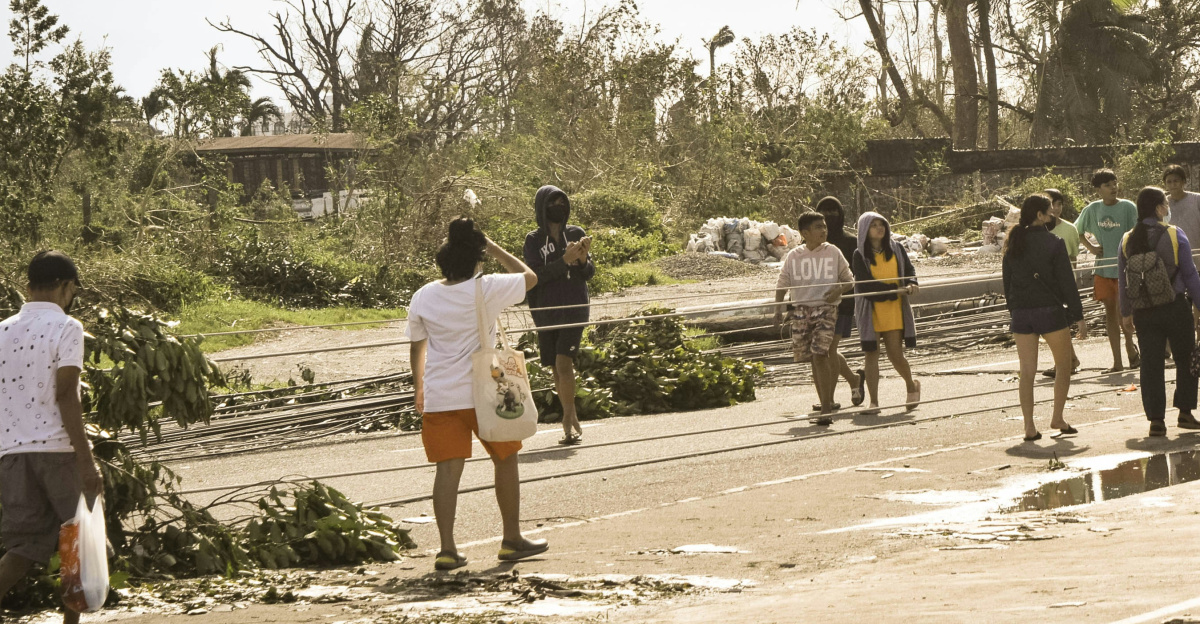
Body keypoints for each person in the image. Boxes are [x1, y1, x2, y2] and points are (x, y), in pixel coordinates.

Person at [408, 218, 548, 570]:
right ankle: (512, 539)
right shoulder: (486, 287)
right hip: (485, 393)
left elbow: (417, 346)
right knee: (505, 459)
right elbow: (530, 277)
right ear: (477, 259)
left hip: (441, 394)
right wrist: (494, 246)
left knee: (447, 470)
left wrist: (419, 386)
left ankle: (447, 549)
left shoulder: (424, 295)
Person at [0, 251, 103, 624]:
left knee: (24, 549)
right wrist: (86, 458)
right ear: (66, 286)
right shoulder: (67, 327)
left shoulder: (2, 330)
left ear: (27, 287)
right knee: (77, 542)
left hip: (12, 453)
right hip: (59, 451)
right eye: (72, 290)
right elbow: (66, 394)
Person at [1117, 187, 1200, 437]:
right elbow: (1190, 274)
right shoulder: (1175, 234)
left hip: (1143, 311)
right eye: (1165, 203)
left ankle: (1156, 420)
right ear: (1158, 208)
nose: (1168, 207)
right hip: (1175, 307)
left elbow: (1123, 280)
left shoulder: (1127, 239)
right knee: (1185, 359)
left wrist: (1125, 312)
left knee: (1151, 365)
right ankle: (1185, 412)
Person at [1002, 195, 1084, 442]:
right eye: (1050, 212)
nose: (1053, 216)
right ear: (1039, 215)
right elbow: (1067, 282)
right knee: (1063, 366)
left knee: (1027, 371)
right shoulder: (1054, 242)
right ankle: (1057, 418)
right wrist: (1078, 315)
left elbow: (1008, 283)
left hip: (1022, 314)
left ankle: (1029, 426)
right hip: (1050, 312)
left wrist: (1015, 310)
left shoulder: (1013, 242)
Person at [523, 186, 594, 445]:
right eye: (552, 202)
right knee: (555, 365)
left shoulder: (576, 234)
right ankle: (571, 415)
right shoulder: (532, 241)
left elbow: (588, 273)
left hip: (574, 308)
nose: (558, 207)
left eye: (562, 202)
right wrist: (564, 260)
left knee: (564, 363)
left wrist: (583, 260)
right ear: (542, 207)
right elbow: (534, 277)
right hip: (545, 310)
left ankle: (567, 420)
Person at [774, 211, 856, 425]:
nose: (824, 230)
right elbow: (783, 282)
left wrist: (838, 290)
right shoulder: (794, 256)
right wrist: (778, 309)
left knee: (821, 354)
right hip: (801, 311)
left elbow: (849, 280)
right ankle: (825, 402)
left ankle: (826, 410)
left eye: (824, 226)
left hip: (826, 309)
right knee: (811, 357)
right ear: (805, 233)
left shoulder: (833, 252)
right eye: (818, 227)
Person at [851, 212, 920, 414]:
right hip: (870, 311)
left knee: (895, 355)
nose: (879, 228)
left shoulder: (897, 248)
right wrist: (891, 290)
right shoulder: (859, 254)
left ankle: (910, 384)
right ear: (865, 230)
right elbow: (865, 286)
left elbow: (909, 270)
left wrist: (911, 283)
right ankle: (874, 402)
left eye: (882, 224)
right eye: (873, 225)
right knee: (871, 355)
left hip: (894, 310)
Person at [1075, 168, 1140, 373]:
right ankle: (1117, 362)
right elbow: (1077, 231)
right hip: (1103, 269)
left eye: (1114, 183)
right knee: (1110, 315)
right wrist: (1091, 248)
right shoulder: (1092, 209)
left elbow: (1137, 233)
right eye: (1107, 185)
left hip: (1125, 269)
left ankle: (1131, 348)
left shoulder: (1128, 207)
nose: (1113, 187)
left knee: (1124, 314)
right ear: (1098, 190)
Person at [813, 197, 866, 410]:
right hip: (815, 303)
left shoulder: (851, 242)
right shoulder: (811, 243)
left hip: (843, 304)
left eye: (833, 211)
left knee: (828, 349)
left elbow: (856, 275)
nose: (829, 216)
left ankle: (829, 399)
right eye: (824, 212)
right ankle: (853, 379)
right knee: (824, 351)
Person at [1041, 188, 1085, 378]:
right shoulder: (1037, 227)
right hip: (1044, 284)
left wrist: (1070, 285)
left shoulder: (1069, 229)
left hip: (1063, 285)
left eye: (1059, 204)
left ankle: (1067, 361)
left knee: (1057, 325)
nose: (1056, 209)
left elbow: (1073, 259)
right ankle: (1070, 359)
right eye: (1052, 204)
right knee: (1052, 325)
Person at [1162, 165, 1200, 337]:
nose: (1173, 185)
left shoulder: (1196, 199)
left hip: (1197, 257)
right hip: (1172, 261)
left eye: (1176, 181)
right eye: (1169, 182)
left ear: (1184, 182)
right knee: (1178, 301)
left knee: (1197, 299)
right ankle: (1185, 339)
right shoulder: (1162, 204)